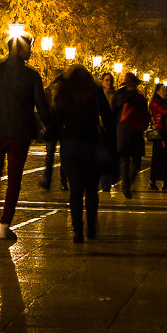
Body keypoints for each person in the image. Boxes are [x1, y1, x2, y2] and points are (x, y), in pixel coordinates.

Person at [0, 33, 51, 242]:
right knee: (14, 179)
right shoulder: (31, 76)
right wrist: (51, 127)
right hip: (20, 133)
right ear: (20, 49)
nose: (31, 50)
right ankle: (5, 224)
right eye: (29, 47)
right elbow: (42, 107)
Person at [49, 65, 116, 242]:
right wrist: (110, 141)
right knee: (91, 189)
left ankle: (77, 229)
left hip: (70, 144)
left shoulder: (66, 91)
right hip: (91, 143)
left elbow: (56, 116)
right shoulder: (95, 91)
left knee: (75, 190)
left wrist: (50, 133)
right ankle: (91, 225)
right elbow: (108, 117)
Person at [111, 71, 149, 198]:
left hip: (125, 130)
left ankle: (126, 184)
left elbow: (114, 109)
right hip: (132, 130)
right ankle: (127, 184)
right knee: (132, 160)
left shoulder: (120, 95)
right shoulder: (137, 96)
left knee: (128, 160)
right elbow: (145, 114)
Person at [39, 77, 67, 191]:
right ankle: (47, 180)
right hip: (52, 127)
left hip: (62, 127)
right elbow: (43, 108)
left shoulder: (65, 95)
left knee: (62, 156)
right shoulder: (48, 92)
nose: (57, 84)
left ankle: (63, 181)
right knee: (50, 155)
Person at [148, 83, 167, 191]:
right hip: (159, 134)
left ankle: (165, 181)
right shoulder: (154, 102)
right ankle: (152, 182)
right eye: (163, 90)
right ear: (157, 91)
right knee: (157, 158)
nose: (166, 92)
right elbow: (164, 112)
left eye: (166, 90)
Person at [98, 71, 118, 192]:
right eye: (106, 80)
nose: (109, 82)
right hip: (101, 129)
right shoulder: (99, 95)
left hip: (114, 128)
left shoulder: (116, 96)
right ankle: (105, 183)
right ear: (102, 82)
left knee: (114, 155)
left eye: (110, 80)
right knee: (104, 155)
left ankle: (112, 178)